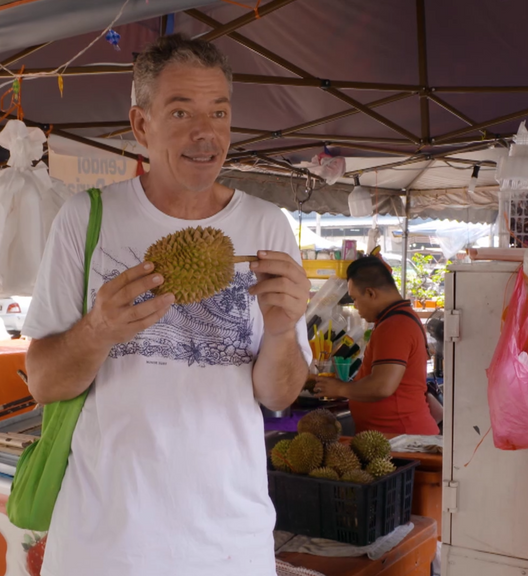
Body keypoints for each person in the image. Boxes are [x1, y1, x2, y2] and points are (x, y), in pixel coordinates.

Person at [22, 34, 311, 576]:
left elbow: (280, 395)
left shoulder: (268, 227)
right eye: (181, 112)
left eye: (219, 112)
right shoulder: (86, 221)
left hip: (230, 544)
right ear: (141, 126)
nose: (206, 133)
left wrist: (280, 332)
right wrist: (97, 330)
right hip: (105, 545)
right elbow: (42, 381)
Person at [313, 257, 440, 435]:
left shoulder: (395, 325)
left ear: (371, 293)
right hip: (395, 437)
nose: (356, 306)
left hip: (403, 439)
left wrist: (340, 388)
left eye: (356, 299)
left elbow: (382, 386)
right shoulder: (398, 319)